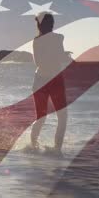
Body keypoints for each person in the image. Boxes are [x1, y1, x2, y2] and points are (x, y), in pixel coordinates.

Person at [29, 11, 68, 156]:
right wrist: (63, 56)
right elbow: (59, 56)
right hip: (55, 80)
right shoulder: (59, 38)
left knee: (41, 116)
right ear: (52, 24)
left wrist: (56, 56)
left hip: (40, 79)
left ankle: (33, 147)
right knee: (62, 117)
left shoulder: (36, 41)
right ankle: (57, 150)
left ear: (39, 25)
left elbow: (38, 62)